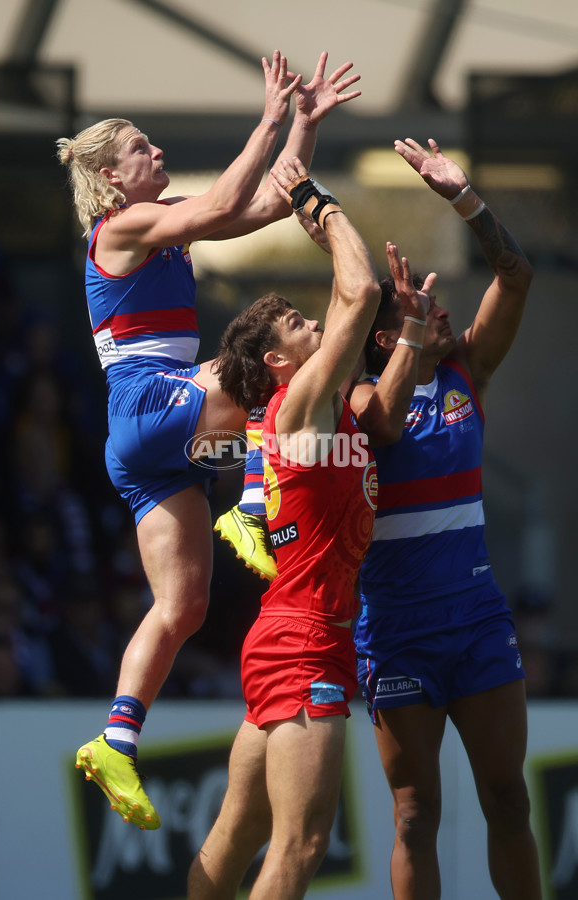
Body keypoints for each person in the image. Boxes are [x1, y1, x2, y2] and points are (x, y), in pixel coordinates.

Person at [56, 50, 362, 830]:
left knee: (182, 606)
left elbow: (261, 202)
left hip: (149, 444)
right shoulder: (122, 227)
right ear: (111, 178)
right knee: (276, 366)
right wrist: (265, 116)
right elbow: (228, 198)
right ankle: (253, 504)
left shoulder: (161, 225)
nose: (156, 154)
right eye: (141, 149)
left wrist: (305, 123)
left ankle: (117, 740)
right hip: (154, 403)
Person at [187, 161, 433, 900]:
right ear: (276, 362)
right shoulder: (298, 408)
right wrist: (316, 206)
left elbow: (385, 406)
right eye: (298, 325)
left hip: (289, 633)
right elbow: (357, 292)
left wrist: (415, 326)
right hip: (303, 642)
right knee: (302, 846)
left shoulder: (328, 411)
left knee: (238, 834)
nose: (317, 324)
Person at [350, 139, 541, 900]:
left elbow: (517, 276)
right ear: (382, 333)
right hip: (397, 636)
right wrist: (404, 334)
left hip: (477, 626)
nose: (432, 298)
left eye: (430, 296)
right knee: (413, 815)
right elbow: (386, 428)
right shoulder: (361, 399)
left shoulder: (468, 370)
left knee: (510, 801)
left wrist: (464, 199)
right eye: (414, 298)